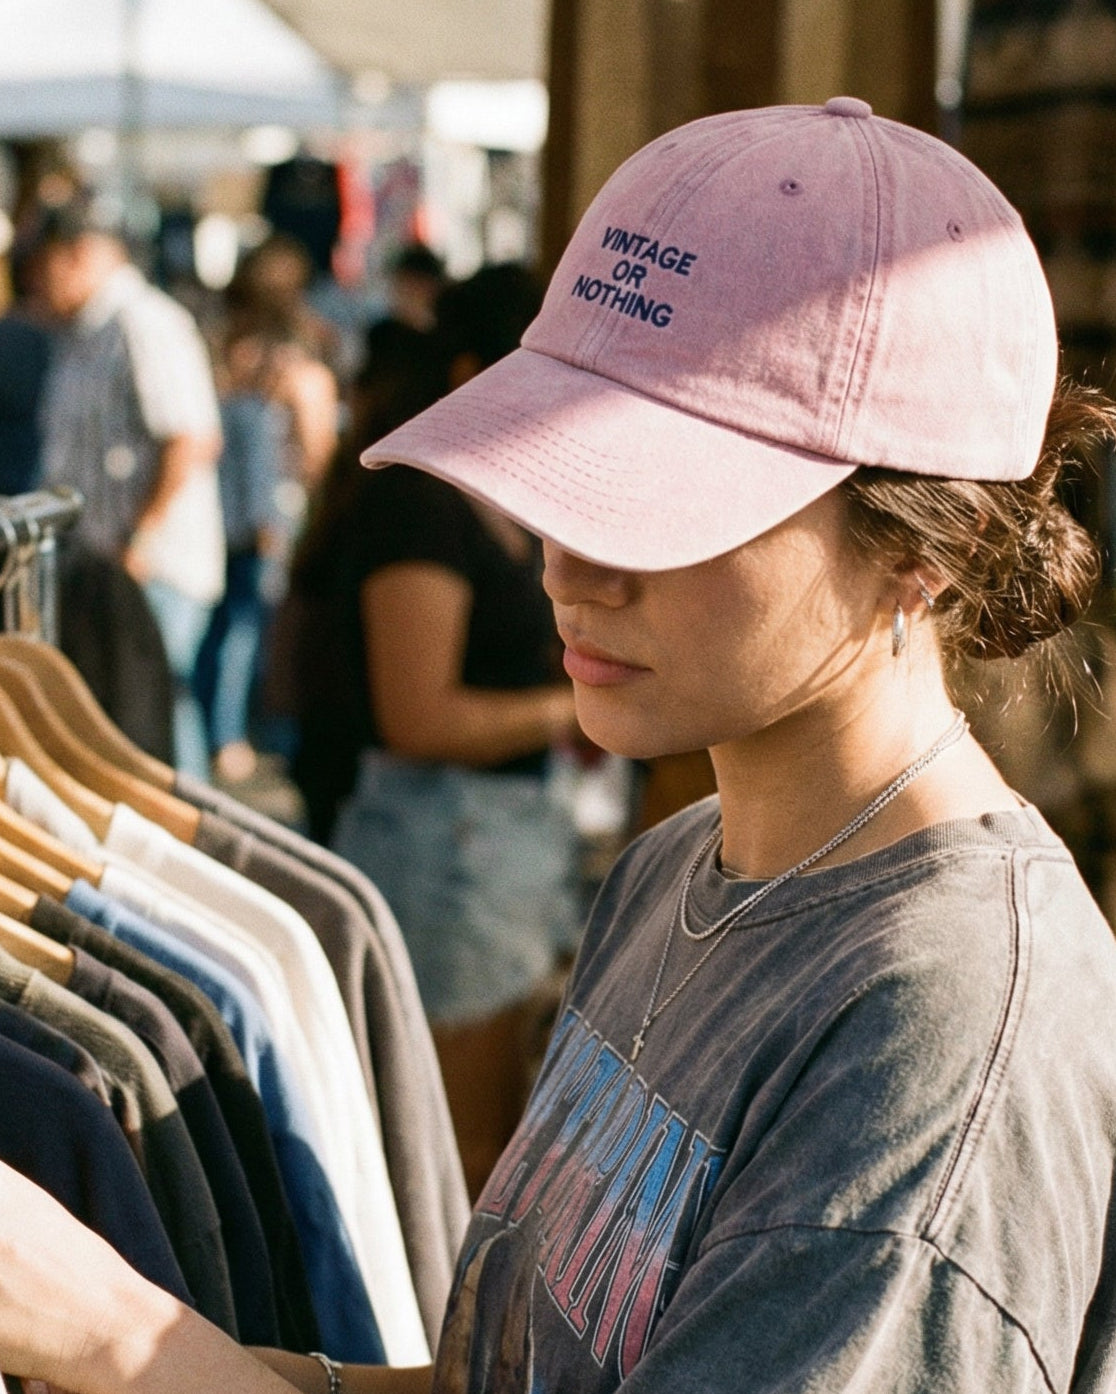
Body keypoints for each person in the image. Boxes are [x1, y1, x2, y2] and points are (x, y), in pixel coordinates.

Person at [4, 95, 1116, 1394]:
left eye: (664, 503)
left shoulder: (943, 1031)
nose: (572, 564)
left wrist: (123, 1342)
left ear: (929, 549)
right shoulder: (680, 868)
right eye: (557, 478)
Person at [290, 269, 584, 1200]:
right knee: (455, 1168)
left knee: (488, 1145)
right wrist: (574, 711)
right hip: (442, 845)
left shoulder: (489, 496)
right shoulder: (420, 499)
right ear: (471, 369)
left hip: (491, 840)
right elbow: (418, 716)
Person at [34, 198, 225, 779]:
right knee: (129, 718)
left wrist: (138, 542)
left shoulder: (144, 321)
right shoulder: (87, 331)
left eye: (43, 266)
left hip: (148, 566)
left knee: (155, 718)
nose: (37, 283)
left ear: (76, 256)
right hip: (108, 562)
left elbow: (190, 439)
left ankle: (189, 848)